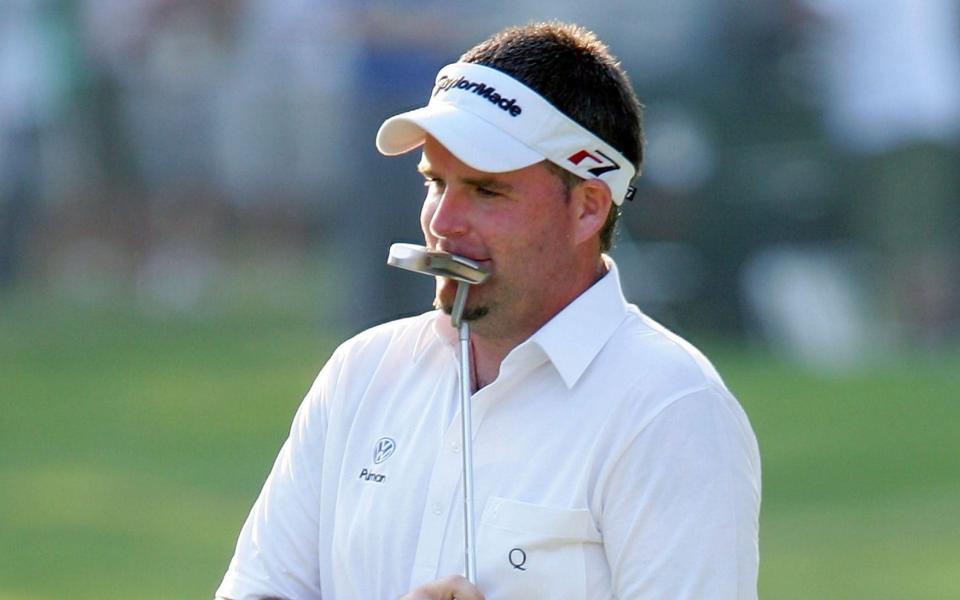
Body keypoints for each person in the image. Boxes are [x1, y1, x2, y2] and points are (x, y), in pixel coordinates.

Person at [216, 22, 760, 600]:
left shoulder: (671, 410)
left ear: (587, 208)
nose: (442, 223)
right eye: (436, 183)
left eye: (486, 191)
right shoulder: (362, 371)